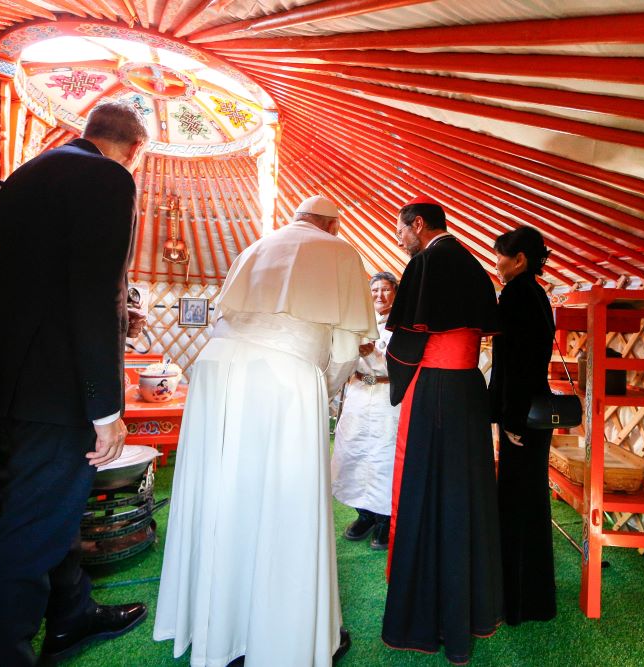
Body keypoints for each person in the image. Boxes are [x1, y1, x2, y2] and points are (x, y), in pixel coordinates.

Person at [154, 195, 377, 667]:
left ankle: (217, 626)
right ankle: (280, 638)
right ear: (331, 224)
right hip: (284, 379)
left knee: (224, 492)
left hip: (215, 371)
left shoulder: (255, 246)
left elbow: (226, 318)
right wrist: (325, 391)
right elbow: (343, 351)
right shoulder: (340, 252)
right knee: (282, 498)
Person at [0, 100, 149, 666]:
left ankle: (71, 614)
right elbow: (96, 291)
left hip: (10, 377)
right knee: (32, 530)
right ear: (135, 149)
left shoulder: (28, 174)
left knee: (50, 512)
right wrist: (104, 406)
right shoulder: (108, 176)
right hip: (60, 388)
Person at [382, 195, 503, 665]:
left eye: (400, 229)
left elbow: (407, 343)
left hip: (433, 391)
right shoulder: (473, 264)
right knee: (465, 495)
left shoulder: (427, 263)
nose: (399, 238)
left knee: (426, 493)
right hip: (468, 391)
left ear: (417, 224)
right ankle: (472, 612)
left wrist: (396, 374)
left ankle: (425, 615)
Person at [489, 226, 557, 625]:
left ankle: (516, 603)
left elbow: (518, 364)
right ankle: (533, 599)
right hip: (533, 409)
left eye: (501, 255)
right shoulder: (537, 293)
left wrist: (510, 419)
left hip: (523, 414)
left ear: (520, 260)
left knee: (517, 505)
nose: (496, 262)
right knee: (529, 502)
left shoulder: (515, 295)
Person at [332, 271, 400, 550]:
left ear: (395, 293)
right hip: (360, 394)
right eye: (374, 291)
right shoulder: (358, 323)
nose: (380, 296)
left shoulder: (403, 325)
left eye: (385, 290)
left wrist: (372, 353)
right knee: (355, 454)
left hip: (388, 397)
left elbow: (398, 365)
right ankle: (365, 515)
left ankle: (385, 519)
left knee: (383, 457)